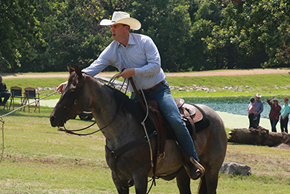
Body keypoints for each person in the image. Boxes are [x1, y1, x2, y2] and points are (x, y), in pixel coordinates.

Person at [56, 11, 205, 180]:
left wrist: (133, 71)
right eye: (111, 26)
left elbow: (156, 66)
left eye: (115, 26)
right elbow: (93, 68)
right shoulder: (112, 49)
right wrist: (71, 82)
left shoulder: (144, 42)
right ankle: (133, 165)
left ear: (126, 28)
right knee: (129, 126)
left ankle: (192, 161)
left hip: (158, 90)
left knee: (175, 121)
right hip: (138, 94)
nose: (112, 30)